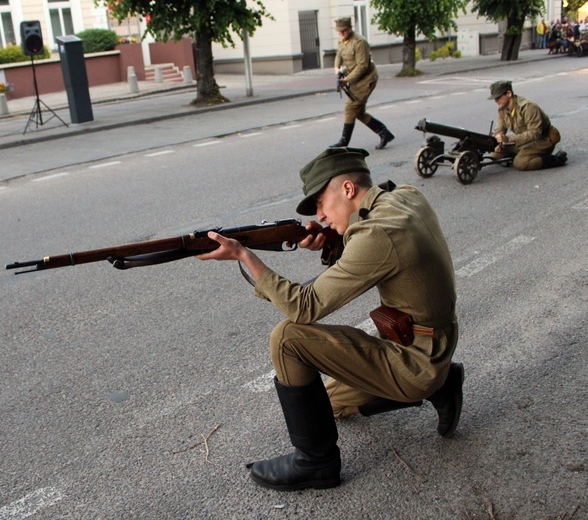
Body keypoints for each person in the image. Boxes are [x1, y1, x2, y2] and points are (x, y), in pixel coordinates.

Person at [198, 147, 463, 491]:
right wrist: (335, 241)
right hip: (429, 342)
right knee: (330, 405)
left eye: (322, 204)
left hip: (415, 358)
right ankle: (442, 383)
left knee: (288, 337)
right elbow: (382, 248)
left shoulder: (377, 234)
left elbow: (305, 306)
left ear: (348, 190)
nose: (321, 216)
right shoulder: (405, 198)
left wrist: (244, 256)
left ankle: (316, 462)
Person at [331, 17, 394, 150]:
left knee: (350, 108)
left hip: (366, 80)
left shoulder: (359, 42)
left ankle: (344, 141)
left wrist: (346, 80)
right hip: (355, 79)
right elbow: (339, 55)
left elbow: (362, 66)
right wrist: (337, 69)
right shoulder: (342, 40)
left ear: (349, 28)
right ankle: (384, 133)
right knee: (358, 112)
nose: (341, 34)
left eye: (343, 31)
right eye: (339, 32)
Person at [487, 80, 567, 170]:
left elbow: (535, 133)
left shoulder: (528, 107)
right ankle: (525, 154)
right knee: (494, 155)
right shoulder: (502, 110)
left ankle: (555, 159)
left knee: (520, 163)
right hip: (524, 141)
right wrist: (498, 136)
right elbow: (500, 129)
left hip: (543, 140)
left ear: (509, 93)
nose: (496, 101)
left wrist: (509, 139)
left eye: (498, 97)